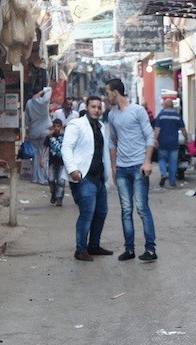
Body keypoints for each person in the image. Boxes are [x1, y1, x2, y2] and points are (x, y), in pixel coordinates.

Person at [105, 78, 157, 262]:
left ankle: (150, 249)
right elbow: (111, 141)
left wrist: (147, 162)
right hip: (122, 168)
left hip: (138, 167)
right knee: (126, 209)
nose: (106, 96)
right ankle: (129, 249)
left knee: (142, 208)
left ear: (115, 92)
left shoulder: (137, 111)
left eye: (107, 92)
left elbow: (149, 136)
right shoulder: (112, 115)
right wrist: (113, 166)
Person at [61, 96, 113, 262]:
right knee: (87, 213)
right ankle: (80, 249)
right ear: (87, 107)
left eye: (99, 107)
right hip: (83, 177)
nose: (96, 110)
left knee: (102, 212)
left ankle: (94, 245)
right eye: (93, 107)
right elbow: (66, 147)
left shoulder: (101, 126)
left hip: (99, 178)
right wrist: (73, 170)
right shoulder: (76, 124)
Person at [154, 98, 188, 188]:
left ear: (164, 105)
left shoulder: (160, 115)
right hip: (174, 143)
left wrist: (155, 139)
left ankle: (164, 173)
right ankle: (172, 182)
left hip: (163, 142)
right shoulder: (177, 116)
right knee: (173, 162)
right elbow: (183, 130)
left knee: (162, 159)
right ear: (172, 106)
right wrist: (186, 139)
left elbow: (157, 129)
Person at [25, 86, 52, 185]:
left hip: (33, 132)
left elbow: (27, 119)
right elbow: (49, 89)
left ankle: (35, 178)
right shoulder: (44, 101)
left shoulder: (29, 103)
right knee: (43, 155)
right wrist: (42, 92)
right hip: (45, 132)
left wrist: (27, 132)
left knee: (35, 156)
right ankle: (42, 179)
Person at [41, 119, 65, 206]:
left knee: (60, 181)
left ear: (61, 127)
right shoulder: (49, 137)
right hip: (52, 163)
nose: (56, 128)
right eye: (54, 126)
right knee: (51, 179)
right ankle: (53, 193)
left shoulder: (64, 137)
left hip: (62, 163)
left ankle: (59, 199)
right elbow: (44, 147)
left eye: (58, 126)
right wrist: (42, 158)